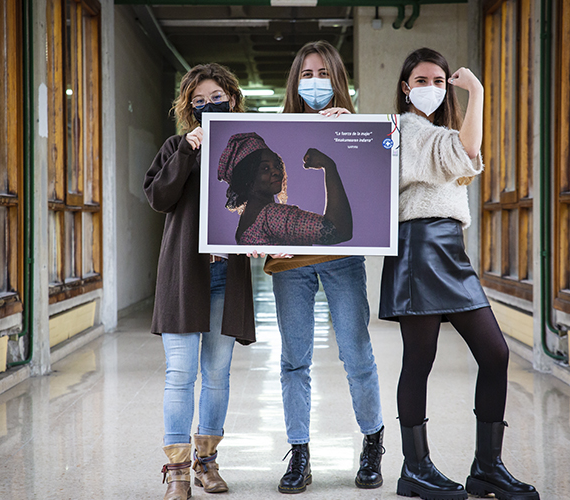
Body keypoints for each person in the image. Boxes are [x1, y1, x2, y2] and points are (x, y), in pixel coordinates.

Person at [379, 48, 539, 500]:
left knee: (494, 353)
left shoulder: (437, 132)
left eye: (438, 80)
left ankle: (487, 467)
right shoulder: (407, 129)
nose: (430, 87)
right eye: (421, 80)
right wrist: (478, 93)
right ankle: (416, 469)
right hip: (418, 247)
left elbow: (463, 154)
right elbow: (469, 151)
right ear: (405, 87)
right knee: (420, 360)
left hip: (449, 247)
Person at [263, 40, 385, 494]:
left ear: (339, 80)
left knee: (356, 353)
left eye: (323, 74)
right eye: (307, 74)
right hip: (290, 260)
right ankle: (299, 452)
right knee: (294, 359)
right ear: (294, 81)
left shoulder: (359, 130)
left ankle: (372, 443)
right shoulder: (272, 133)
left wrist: (351, 132)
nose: (315, 83)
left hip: (341, 257)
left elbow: (371, 191)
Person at [144, 63, 256, 500]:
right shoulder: (176, 147)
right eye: (199, 100)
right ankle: (177, 471)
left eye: (217, 97)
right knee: (180, 373)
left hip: (227, 274)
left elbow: (264, 201)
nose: (209, 105)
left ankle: (207, 462)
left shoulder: (247, 149)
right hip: (183, 275)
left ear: (233, 99)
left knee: (216, 374)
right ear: (188, 108)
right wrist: (187, 152)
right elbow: (159, 197)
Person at [217, 131, 352, 246]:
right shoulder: (270, 215)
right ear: (247, 178)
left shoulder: (246, 219)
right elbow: (339, 230)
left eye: (277, 165)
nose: (276, 171)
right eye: (265, 168)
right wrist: (329, 165)